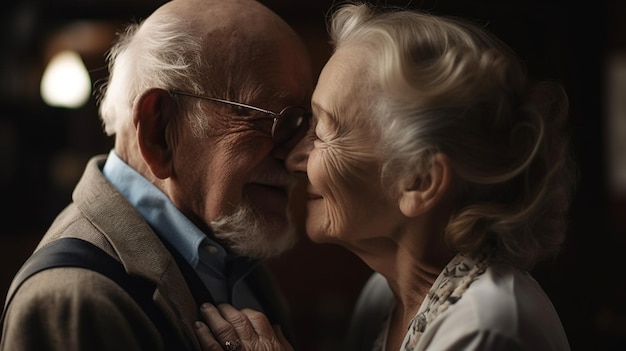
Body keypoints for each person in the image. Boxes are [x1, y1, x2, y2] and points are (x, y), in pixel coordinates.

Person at [194, 2, 576, 351]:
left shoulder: (489, 326)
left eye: (324, 132)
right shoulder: (381, 297)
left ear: (419, 180)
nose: (294, 157)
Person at [0, 0, 313, 349]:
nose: (301, 155)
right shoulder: (73, 300)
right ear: (159, 130)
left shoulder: (229, 249)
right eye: (276, 121)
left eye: (304, 123)